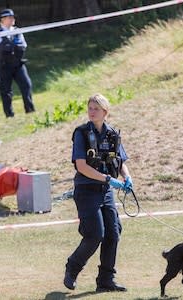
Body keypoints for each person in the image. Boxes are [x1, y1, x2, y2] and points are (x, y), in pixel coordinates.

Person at [64, 93, 133, 292]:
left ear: (105, 112)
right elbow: (82, 166)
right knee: (95, 234)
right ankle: (72, 268)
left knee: (113, 233)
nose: (92, 112)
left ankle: (106, 280)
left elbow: (120, 162)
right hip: (86, 191)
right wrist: (109, 179)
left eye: (96, 108)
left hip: (106, 191)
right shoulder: (81, 133)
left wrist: (127, 177)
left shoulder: (112, 134)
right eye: (90, 108)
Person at [0, 8, 35, 118]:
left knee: (26, 85)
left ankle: (30, 110)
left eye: (12, 17)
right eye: (9, 18)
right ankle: (9, 115)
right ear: (2, 20)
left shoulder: (18, 31)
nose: (12, 19)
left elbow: (24, 45)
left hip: (18, 65)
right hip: (4, 67)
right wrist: (0, 61)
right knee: (6, 91)